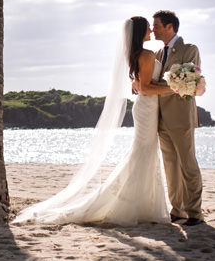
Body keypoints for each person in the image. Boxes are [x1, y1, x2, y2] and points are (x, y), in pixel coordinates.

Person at [13, 16, 172, 225]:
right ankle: (137, 204)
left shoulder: (136, 54)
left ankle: (144, 204)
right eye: (148, 29)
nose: (151, 31)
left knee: (145, 152)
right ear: (140, 31)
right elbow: (144, 88)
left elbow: (138, 83)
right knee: (144, 151)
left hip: (146, 108)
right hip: (147, 107)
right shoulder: (147, 54)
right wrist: (173, 88)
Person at [151, 10, 204, 226]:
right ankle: (178, 209)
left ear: (170, 26)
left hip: (181, 118)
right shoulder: (157, 54)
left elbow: (187, 82)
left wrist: (154, 86)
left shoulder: (189, 50)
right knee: (170, 165)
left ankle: (194, 212)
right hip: (161, 118)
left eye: (156, 26)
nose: (153, 29)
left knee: (187, 164)